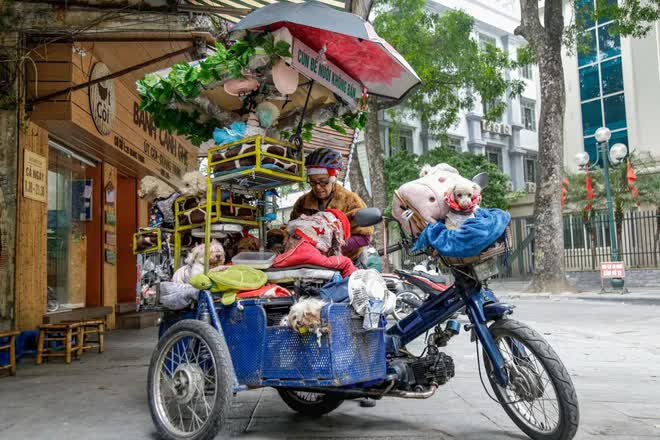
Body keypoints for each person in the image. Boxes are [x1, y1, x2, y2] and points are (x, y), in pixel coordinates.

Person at [290, 148, 374, 264]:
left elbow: (365, 237)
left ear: (333, 178)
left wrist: (331, 248)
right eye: (313, 182)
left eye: (323, 181)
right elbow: (293, 232)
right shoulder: (302, 203)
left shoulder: (351, 200)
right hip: (314, 261)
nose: (318, 187)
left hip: (351, 260)